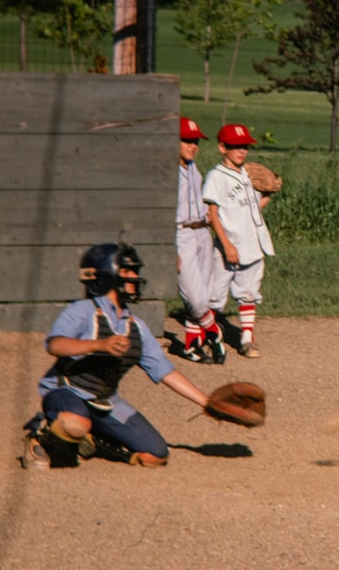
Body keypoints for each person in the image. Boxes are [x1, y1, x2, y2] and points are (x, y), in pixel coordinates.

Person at [22, 242, 213, 469]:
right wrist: (99, 344)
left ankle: (95, 440)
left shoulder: (136, 326)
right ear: (106, 275)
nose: (134, 277)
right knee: (74, 423)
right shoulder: (83, 310)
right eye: (126, 271)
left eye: (135, 271)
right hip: (66, 391)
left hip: (104, 401)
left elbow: (165, 371)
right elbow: (55, 345)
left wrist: (207, 402)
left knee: (156, 455)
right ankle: (39, 436)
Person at [203, 123, 275, 359]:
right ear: (222, 147)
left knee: (249, 292)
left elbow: (253, 207)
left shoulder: (248, 173)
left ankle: (246, 339)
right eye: (235, 146)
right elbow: (212, 214)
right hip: (229, 245)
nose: (241, 151)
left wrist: (268, 194)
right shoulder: (216, 176)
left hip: (252, 243)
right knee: (215, 295)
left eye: (244, 146)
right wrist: (225, 244)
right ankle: (208, 335)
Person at [176, 117, 225, 364]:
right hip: (181, 233)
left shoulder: (193, 168)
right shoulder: (167, 172)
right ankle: (214, 332)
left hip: (202, 232)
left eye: (195, 141)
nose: (192, 145)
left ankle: (191, 345)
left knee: (203, 294)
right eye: (187, 140)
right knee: (194, 297)